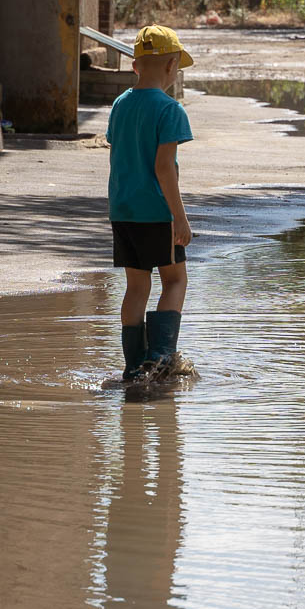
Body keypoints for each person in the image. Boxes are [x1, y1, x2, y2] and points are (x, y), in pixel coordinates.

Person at [105, 24, 195, 381]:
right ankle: (160, 359)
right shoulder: (170, 110)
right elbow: (163, 169)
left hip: (122, 210)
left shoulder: (119, 105)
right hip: (157, 212)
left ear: (134, 66)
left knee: (136, 287)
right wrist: (180, 217)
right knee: (175, 280)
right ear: (172, 67)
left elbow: (119, 156)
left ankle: (133, 365)